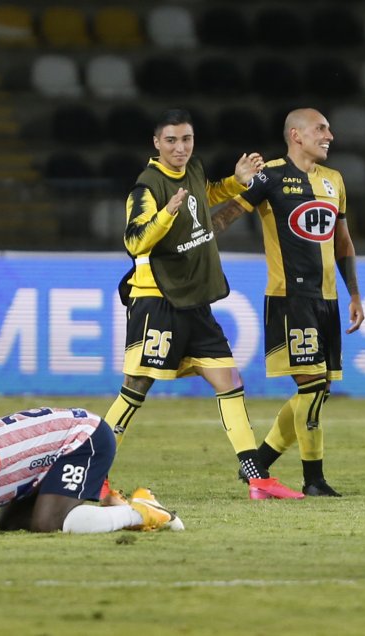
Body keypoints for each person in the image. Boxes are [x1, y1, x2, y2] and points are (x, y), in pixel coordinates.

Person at [102, 108, 303, 501]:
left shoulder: (192, 168)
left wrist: (235, 183)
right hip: (158, 300)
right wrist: (165, 215)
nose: (180, 148)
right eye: (172, 140)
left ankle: (257, 478)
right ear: (157, 144)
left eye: (187, 139)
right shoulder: (146, 186)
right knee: (134, 390)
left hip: (194, 300)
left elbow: (204, 195)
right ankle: (95, 475)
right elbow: (134, 241)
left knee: (230, 382)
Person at [211, 108, 365, 497]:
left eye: (329, 127)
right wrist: (190, 236)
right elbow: (227, 216)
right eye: (321, 128)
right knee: (312, 387)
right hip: (290, 299)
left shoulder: (334, 181)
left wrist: (355, 294)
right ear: (295, 135)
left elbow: (343, 242)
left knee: (318, 391)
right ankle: (313, 479)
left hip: (327, 299)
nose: (329, 134)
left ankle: (259, 464)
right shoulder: (270, 175)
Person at [0, 407, 182, 534]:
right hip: (52, 451)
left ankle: (143, 512)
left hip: (84, 438)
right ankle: (112, 503)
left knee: (46, 522)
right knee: (11, 521)